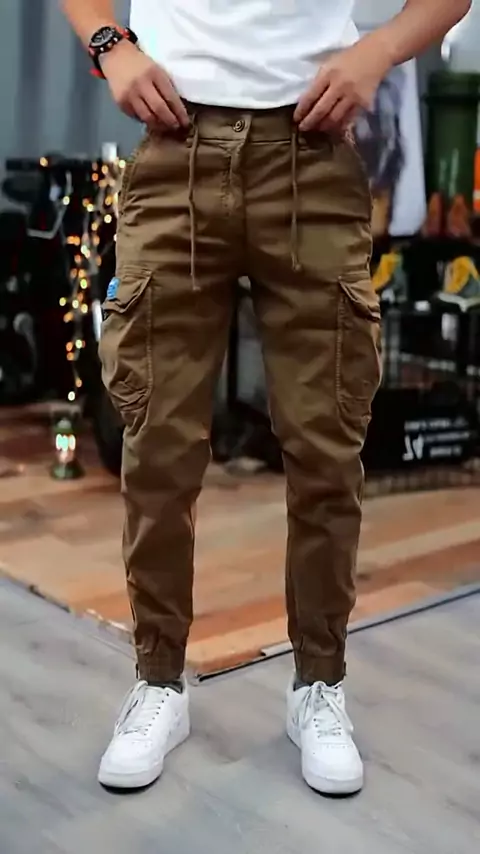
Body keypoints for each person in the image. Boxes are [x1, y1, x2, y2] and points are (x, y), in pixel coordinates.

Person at [62, 0, 471, 795]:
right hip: (175, 141)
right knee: (157, 447)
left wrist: (381, 51)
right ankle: (158, 681)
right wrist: (110, 44)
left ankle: (319, 683)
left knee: (327, 449)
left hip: (312, 147)